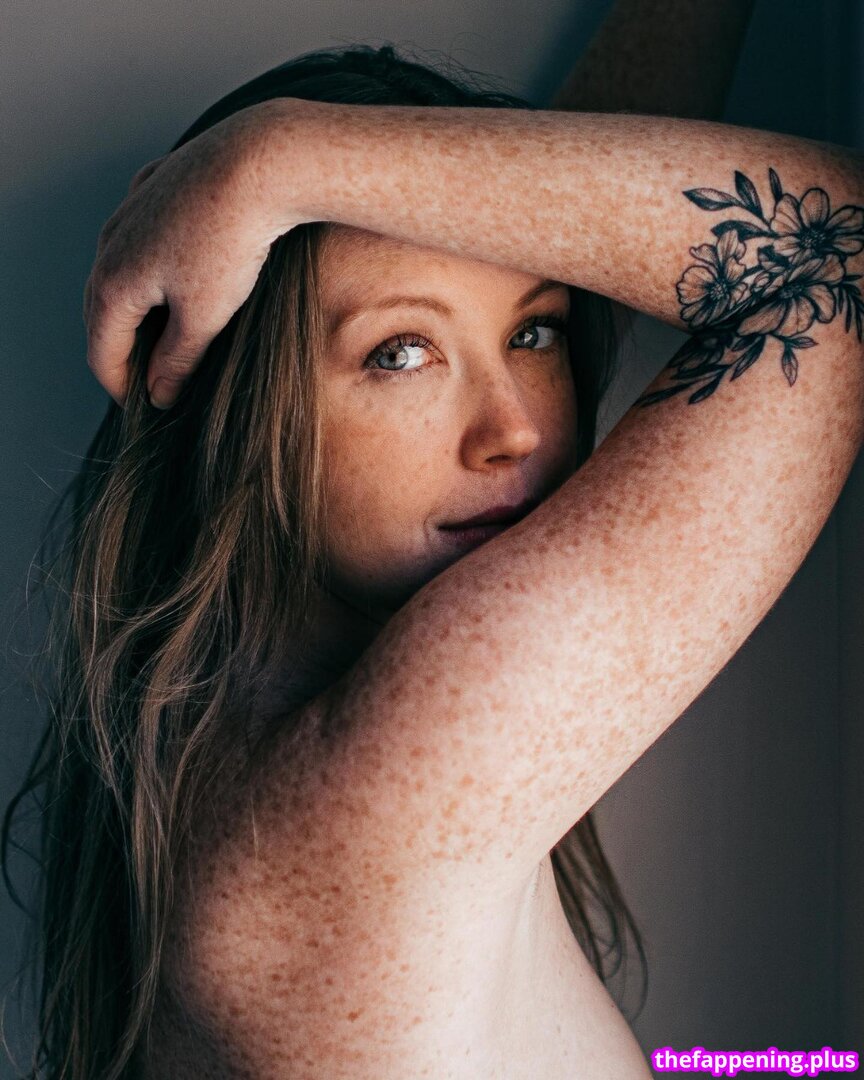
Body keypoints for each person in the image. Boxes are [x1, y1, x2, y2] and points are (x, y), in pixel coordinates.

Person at [6, 5, 864, 1080]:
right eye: (400, 353)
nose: (517, 430)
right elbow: (834, 256)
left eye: (533, 333)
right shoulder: (383, 779)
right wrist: (274, 158)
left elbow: (589, 214)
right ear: (238, 410)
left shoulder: (222, 738)